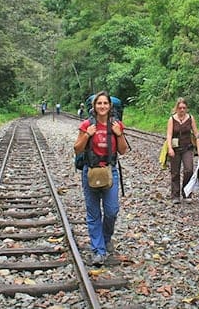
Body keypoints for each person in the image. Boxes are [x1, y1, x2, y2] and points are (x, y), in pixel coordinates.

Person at [73, 91, 128, 266]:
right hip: (91, 171)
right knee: (93, 212)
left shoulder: (116, 125)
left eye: (105, 103)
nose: (102, 106)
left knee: (112, 211)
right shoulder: (87, 124)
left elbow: (123, 150)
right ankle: (98, 249)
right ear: (94, 107)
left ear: (110, 106)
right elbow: (77, 149)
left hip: (110, 170)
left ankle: (105, 238)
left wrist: (119, 134)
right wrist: (87, 134)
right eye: (99, 104)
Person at [166, 98, 199, 204]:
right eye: (180, 108)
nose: (182, 110)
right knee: (175, 172)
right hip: (175, 149)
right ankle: (175, 195)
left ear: (187, 108)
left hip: (187, 148)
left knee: (189, 169)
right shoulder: (172, 119)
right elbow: (169, 135)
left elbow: (196, 133)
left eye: (184, 108)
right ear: (177, 108)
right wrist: (170, 148)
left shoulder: (190, 118)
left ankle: (187, 192)